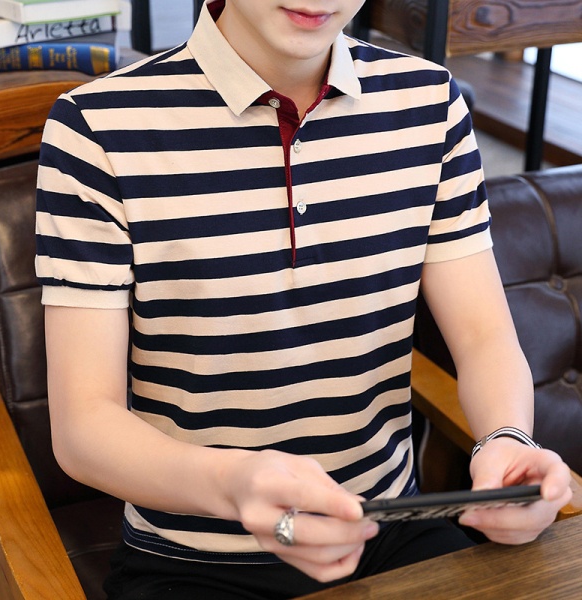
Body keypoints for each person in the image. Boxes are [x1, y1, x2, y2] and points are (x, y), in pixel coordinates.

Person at [35, 1, 572, 598]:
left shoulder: (430, 103)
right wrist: (232, 483)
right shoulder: (96, 125)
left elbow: (484, 336)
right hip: (193, 558)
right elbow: (84, 426)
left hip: (392, 532)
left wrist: (507, 441)